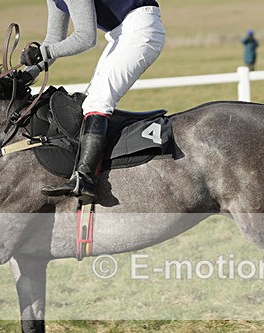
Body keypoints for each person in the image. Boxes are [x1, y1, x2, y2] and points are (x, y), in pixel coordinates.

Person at [21, 0, 166, 204]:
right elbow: (54, 39)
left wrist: (44, 53)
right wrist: (26, 75)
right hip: (121, 34)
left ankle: (86, 179)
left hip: (140, 28)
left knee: (97, 103)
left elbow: (86, 38)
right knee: (88, 104)